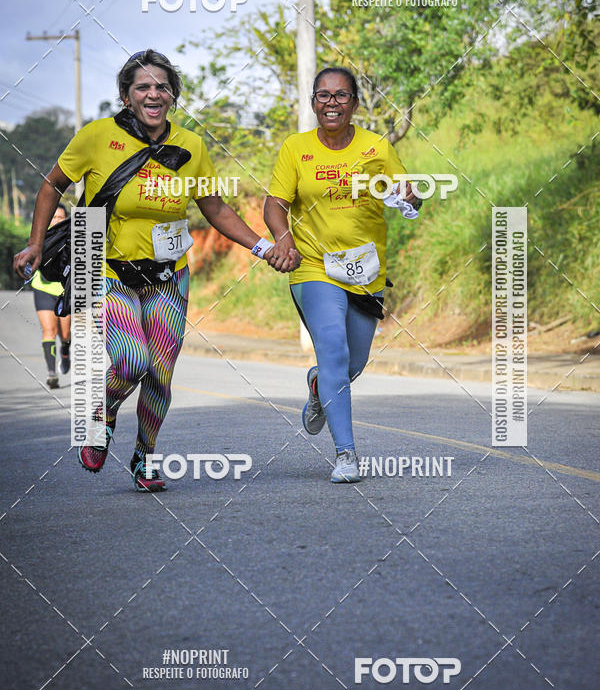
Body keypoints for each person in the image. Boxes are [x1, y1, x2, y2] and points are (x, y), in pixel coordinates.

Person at [15, 48, 287, 491]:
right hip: (98, 260)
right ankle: (99, 417)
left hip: (167, 272)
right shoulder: (96, 136)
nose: (153, 94)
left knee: (160, 371)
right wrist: (34, 242)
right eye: (142, 86)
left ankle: (145, 457)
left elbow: (214, 207)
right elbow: (52, 185)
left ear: (173, 95)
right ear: (126, 96)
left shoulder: (191, 146)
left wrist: (262, 246)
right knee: (131, 359)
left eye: (162, 86)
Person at [264, 66, 419, 483]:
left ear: (354, 102)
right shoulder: (296, 149)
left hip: (366, 272)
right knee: (332, 351)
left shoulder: (377, 147)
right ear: (313, 101)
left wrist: (410, 195)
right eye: (323, 95)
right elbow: (275, 204)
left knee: (351, 363)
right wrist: (283, 239)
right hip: (313, 266)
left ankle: (319, 387)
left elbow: (408, 194)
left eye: (341, 95)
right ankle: (346, 454)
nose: (331, 102)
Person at [29, 202, 71, 388]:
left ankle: (65, 350)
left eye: (60, 218)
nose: (56, 221)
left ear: (65, 220)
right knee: (49, 331)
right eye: (53, 217)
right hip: (43, 288)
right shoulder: (39, 237)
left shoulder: (72, 237)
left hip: (65, 291)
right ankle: (51, 373)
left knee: (65, 333)